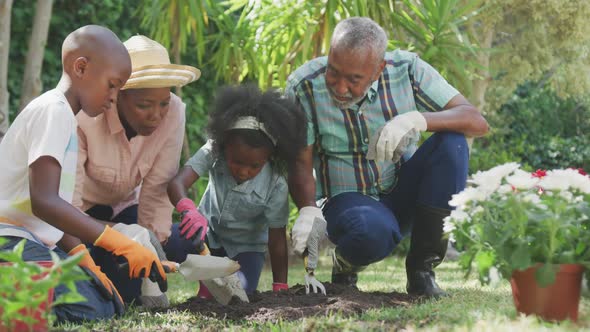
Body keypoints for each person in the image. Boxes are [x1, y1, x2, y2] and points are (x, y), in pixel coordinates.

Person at [285, 17, 489, 298]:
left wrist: (417, 119)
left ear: (379, 68)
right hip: (348, 201)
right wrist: (307, 208)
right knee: (371, 234)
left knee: (453, 142)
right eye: (334, 72)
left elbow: (476, 121)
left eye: (354, 79)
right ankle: (345, 262)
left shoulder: (407, 69)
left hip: (403, 190)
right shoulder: (303, 85)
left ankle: (421, 273)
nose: (340, 87)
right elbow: (300, 161)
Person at [0, 25, 166, 322]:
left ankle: (22, 289)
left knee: (106, 301)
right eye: (112, 85)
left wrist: (84, 258)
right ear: (81, 68)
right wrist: (118, 242)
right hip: (9, 242)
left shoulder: (65, 120)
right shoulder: (53, 111)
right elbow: (44, 202)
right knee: (90, 307)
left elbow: (52, 215)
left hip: (29, 243)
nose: (114, 97)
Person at [73, 35, 201, 306]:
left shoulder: (175, 113)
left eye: (163, 103)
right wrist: (121, 236)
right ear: (117, 95)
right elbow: (66, 209)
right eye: (144, 105)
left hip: (125, 211)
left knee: (132, 283)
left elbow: (157, 188)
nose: (156, 114)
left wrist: (149, 250)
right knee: (95, 291)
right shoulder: (84, 118)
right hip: (78, 219)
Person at [167, 85, 306, 295]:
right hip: (207, 235)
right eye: (237, 162)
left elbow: (277, 239)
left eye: (254, 166)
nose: (243, 171)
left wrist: (280, 286)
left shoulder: (276, 183)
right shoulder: (213, 150)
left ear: (268, 158)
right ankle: (192, 283)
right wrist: (189, 210)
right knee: (169, 239)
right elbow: (177, 183)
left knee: (237, 291)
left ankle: (211, 288)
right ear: (224, 148)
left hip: (246, 250)